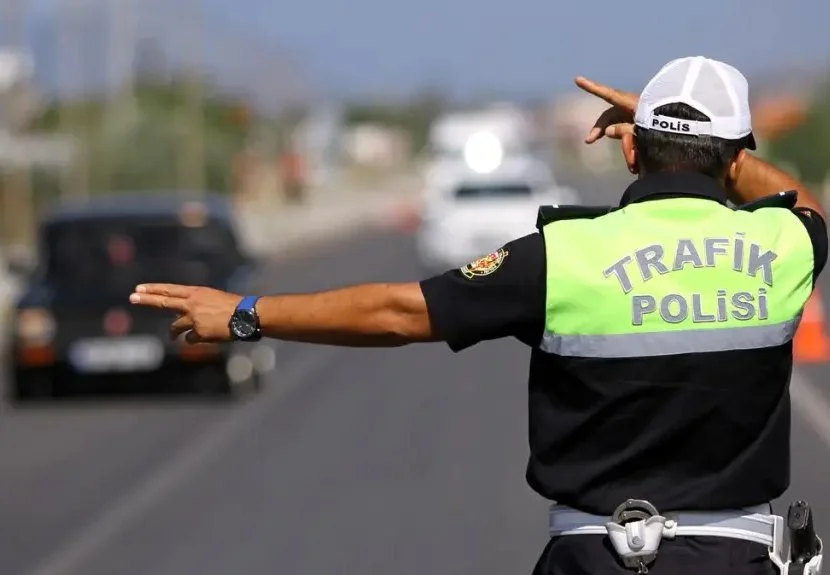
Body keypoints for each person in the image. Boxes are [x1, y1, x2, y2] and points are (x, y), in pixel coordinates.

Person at [129, 56, 828, 575]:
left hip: (594, 558)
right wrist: (717, 154)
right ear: (736, 158)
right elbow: (801, 202)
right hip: (739, 558)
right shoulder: (786, 243)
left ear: (632, 149)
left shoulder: (560, 254)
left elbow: (400, 311)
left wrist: (247, 314)